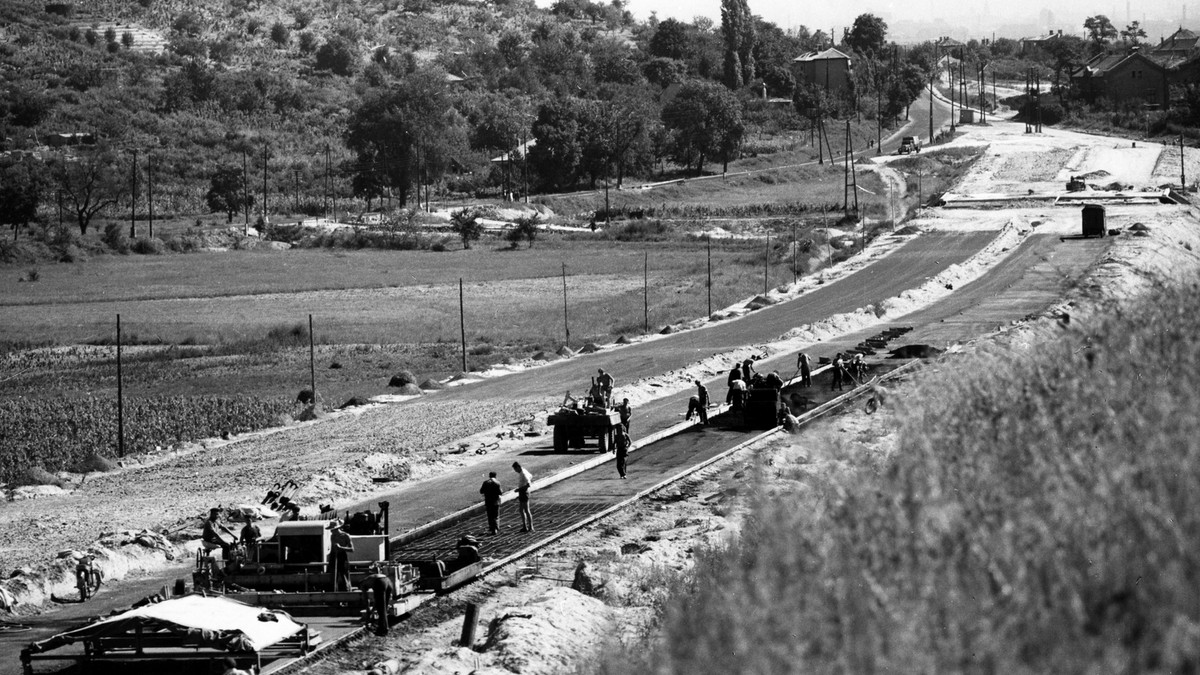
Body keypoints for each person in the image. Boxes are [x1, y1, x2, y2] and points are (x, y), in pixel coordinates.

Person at [359, 565, 394, 636]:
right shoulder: (369, 579)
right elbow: (376, 601)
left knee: (381, 609)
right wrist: (372, 610)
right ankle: (384, 628)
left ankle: (383, 630)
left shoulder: (363, 584)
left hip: (380, 582)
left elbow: (366, 599)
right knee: (384, 608)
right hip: (388, 581)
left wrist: (368, 610)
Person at [329, 520, 353, 592]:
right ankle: (335, 594)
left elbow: (352, 549)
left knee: (344, 576)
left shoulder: (346, 536)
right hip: (334, 556)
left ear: (337, 529)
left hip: (342, 557)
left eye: (332, 530)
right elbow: (332, 548)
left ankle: (347, 592)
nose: (331, 531)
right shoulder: (332, 536)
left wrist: (341, 548)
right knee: (334, 578)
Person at [512, 462, 534, 532]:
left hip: (524, 492)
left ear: (518, 467)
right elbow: (531, 476)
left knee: (526, 510)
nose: (515, 471)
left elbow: (528, 484)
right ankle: (525, 526)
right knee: (521, 510)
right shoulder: (523, 471)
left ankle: (531, 527)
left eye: (515, 469)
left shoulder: (523, 473)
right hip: (522, 492)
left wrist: (519, 489)